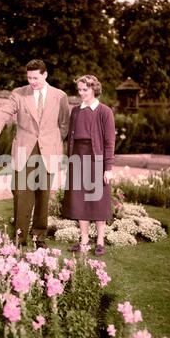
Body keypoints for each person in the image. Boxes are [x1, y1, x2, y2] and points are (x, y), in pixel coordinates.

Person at [0, 59, 70, 248]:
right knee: (22, 194)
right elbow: (3, 112)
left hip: (49, 151)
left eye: (36, 78)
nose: (32, 81)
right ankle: (19, 237)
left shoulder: (60, 96)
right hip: (25, 150)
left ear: (45, 75)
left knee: (43, 195)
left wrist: (54, 141)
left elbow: (64, 124)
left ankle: (39, 237)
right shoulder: (18, 94)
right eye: (29, 77)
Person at [62, 75, 115, 256]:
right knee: (79, 200)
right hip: (77, 158)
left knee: (98, 199)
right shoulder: (76, 111)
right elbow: (70, 138)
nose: (81, 93)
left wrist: (108, 168)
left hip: (96, 160)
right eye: (79, 90)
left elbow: (109, 142)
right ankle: (84, 239)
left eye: (85, 89)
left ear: (94, 89)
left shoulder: (104, 112)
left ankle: (100, 240)